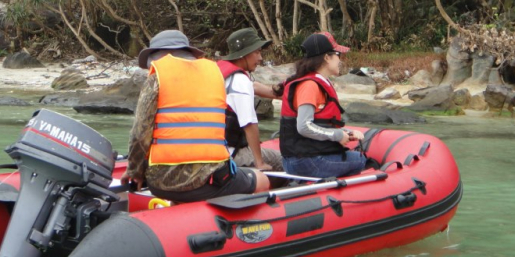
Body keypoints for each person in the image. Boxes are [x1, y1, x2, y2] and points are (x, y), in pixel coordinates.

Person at [120, 30, 270, 203]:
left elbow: (140, 134)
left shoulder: (156, 78)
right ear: (189, 53)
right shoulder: (214, 74)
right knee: (262, 180)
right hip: (210, 179)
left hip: (161, 182)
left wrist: (134, 171)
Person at [278, 31, 366, 178]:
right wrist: (338, 135)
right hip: (305, 161)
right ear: (327, 57)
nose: (340, 60)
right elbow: (304, 126)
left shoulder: (313, 81)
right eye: (338, 55)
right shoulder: (310, 86)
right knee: (360, 160)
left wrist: (346, 132)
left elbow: (321, 124)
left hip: (303, 159)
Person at [217, 28, 284, 173]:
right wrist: (259, 163)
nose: (260, 58)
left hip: (214, 150)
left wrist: (280, 95)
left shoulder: (222, 73)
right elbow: (249, 123)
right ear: (243, 55)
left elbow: (252, 86)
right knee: (283, 160)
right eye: (257, 52)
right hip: (232, 155)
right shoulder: (239, 80)